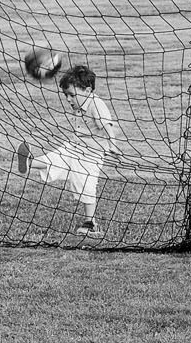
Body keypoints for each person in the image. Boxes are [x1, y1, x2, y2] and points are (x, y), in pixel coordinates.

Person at [17, 63, 119, 237]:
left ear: (87, 91)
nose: (68, 99)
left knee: (86, 185)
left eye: (71, 95)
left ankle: (91, 223)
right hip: (74, 147)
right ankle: (29, 162)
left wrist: (113, 143)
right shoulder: (80, 104)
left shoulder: (96, 104)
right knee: (55, 158)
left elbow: (106, 124)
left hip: (90, 155)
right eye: (66, 95)